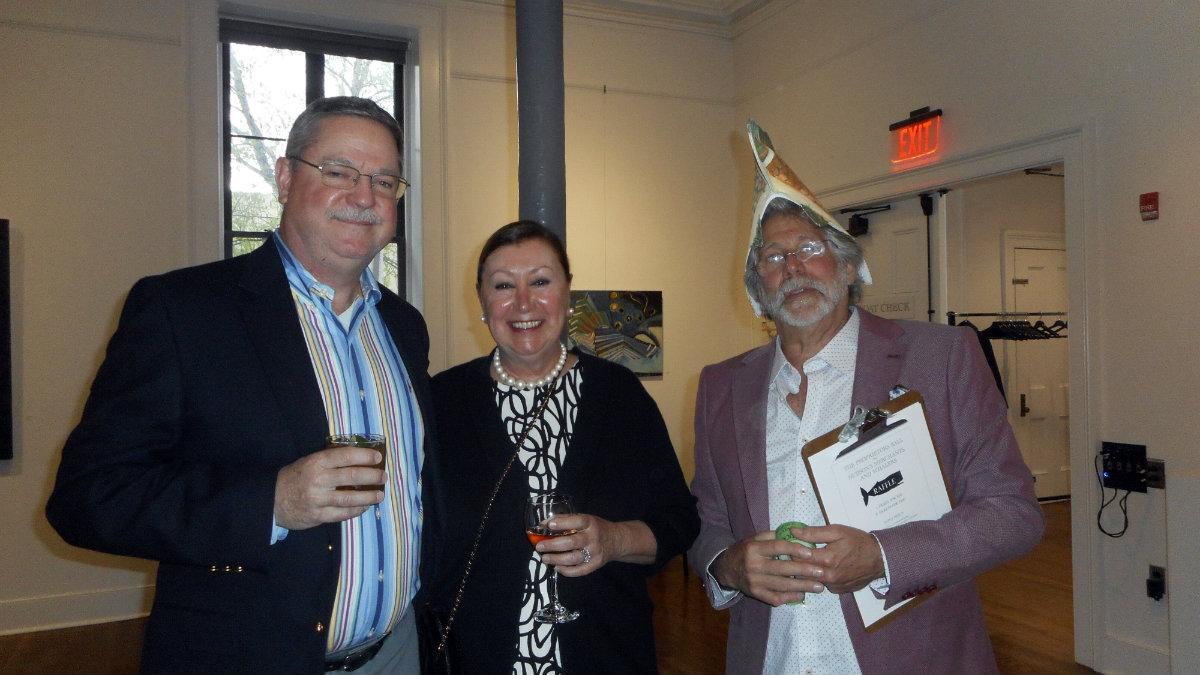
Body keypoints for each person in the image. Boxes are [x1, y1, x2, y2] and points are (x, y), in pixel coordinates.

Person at [46, 96, 438, 675]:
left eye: (384, 181)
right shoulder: (184, 311)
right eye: (338, 172)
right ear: (284, 177)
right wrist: (270, 504)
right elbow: (87, 498)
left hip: (398, 655)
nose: (364, 197)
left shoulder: (406, 328)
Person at [687, 120, 1045, 675]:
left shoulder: (942, 357)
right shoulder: (722, 386)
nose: (794, 268)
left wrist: (883, 556)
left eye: (810, 248)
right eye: (774, 258)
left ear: (849, 266)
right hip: (774, 660)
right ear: (758, 290)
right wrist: (728, 566)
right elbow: (706, 518)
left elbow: (1013, 513)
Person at [425, 220, 699, 674]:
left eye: (540, 281)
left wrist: (614, 540)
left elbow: (680, 520)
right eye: (503, 285)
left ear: (567, 293)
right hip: (476, 659)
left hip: (606, 655)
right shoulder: (441, 402)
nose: (523, 302)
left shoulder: (620, 395)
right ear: (482, 301)